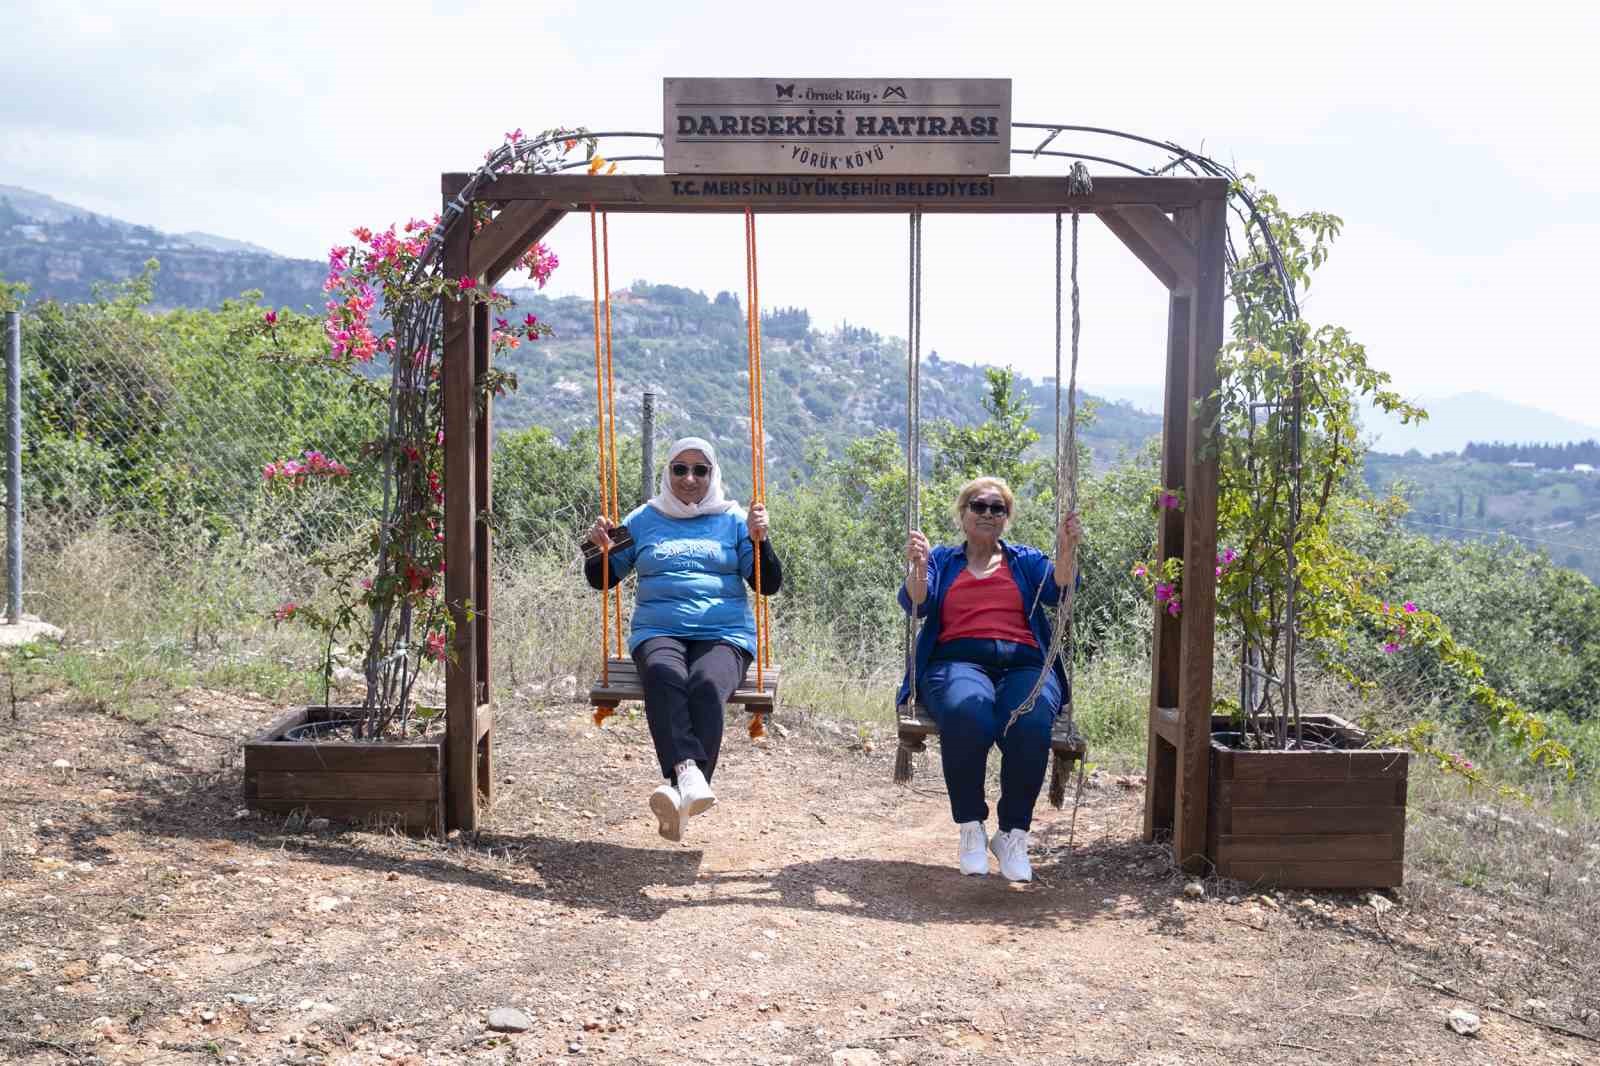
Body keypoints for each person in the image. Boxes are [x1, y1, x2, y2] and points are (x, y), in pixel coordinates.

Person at [585, 436, 782, 843]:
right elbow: (601, 579)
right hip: (659, 630)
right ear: (667, 473)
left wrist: (762, 541)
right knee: (661, 673)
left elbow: (768, 585)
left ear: (713, 474)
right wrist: (596, 548)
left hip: (725, 633)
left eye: (700, 470)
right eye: (680, 469)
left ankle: (681, 786)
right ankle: (689, 779)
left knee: (707, 684)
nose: (690, 479)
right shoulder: (642, 519)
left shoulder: (733, 519)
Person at [898, 476, 1083, 882]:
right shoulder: (942, 561)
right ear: (963, 514)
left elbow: (1060, 589)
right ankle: (971, 827)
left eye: (996, 508)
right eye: (978, 506)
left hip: (1025, 664)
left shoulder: (1026, 561)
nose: (987, 513)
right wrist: (918, 567)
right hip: (957, 662)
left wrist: (1066, 551)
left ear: (1006, 518)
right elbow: (916, 602)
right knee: (968, 715)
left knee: (1029, 721)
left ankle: (1012, 834)